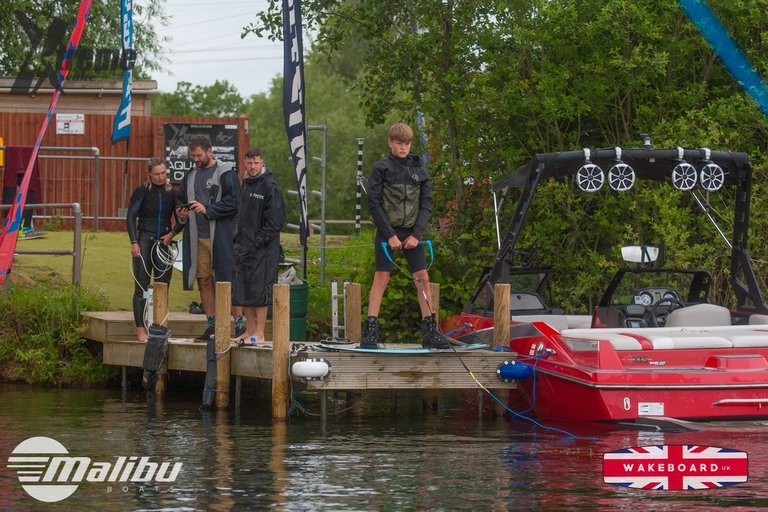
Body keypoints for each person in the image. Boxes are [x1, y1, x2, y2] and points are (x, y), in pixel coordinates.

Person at [361, 122, 451, 350]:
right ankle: (370, 330)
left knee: (423, 277)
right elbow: (374, 203)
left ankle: (429, 330)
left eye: (407, 143)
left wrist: (416, 234)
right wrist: (389, 235)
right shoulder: (381, 168)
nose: (404, 147)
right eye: (399, 143)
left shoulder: (419, 171)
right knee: (381, 278)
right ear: (391, 143)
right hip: (387, 230)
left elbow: (426, 204)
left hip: (412, 232)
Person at [176, 134, 240, 341]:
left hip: (221, 235)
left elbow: (234, 203)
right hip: (197, 237)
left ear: (209, 151)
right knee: (203, 280)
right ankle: (211, 325)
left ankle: (238, 324)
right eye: (193, 156)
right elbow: (180, 200)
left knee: (226, 279)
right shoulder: (191, 175)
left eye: (198, 155)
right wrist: (182, 212)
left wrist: (208, 209)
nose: (195, 159)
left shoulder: (225, 172)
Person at [232, 148, 286, 345]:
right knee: (244, 290)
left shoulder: (270, 186)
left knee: (260, 292)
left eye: (256, 162)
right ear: (244, 163)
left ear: (262, 162)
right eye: (249, 163)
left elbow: (276, 221)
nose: (252, 166)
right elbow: (240, 213)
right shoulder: (245, 183)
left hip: (263, 250)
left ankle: (260, 333)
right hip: (243, 247)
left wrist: (258, 241)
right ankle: (250, 330)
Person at [126, 158, 182, 342]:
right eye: (157, 174)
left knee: (162, 287)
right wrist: (134, 242)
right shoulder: (142, 191)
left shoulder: (173, 194)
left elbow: (182, 219)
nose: (161, 177)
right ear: (149, 174)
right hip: (144, 239)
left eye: (164, 173)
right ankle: (141, 330)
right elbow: (130, 218)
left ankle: (160, 326)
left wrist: (172, 234)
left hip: (163, 243)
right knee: (141, 286)